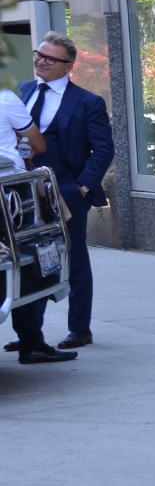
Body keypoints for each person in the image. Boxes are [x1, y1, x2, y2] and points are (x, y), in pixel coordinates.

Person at [18, 33, 114, 349]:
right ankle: (31, 334)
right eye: (39, 54)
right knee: (30, 259)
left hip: (66, 187)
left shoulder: (87, 102)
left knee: (73, 256)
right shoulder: (25, 92)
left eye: (50, 58)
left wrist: (82, 188)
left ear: (68, 65)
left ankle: (80, 329)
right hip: (24, 190)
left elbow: (103, 150)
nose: (40, 61)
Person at [1, 88, 65, 363]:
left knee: (31, 257)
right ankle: (31, 340)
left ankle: (31, 340)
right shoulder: (5, 98)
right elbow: (38, 144)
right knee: (33, 256)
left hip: (12, 190)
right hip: (13, 189)